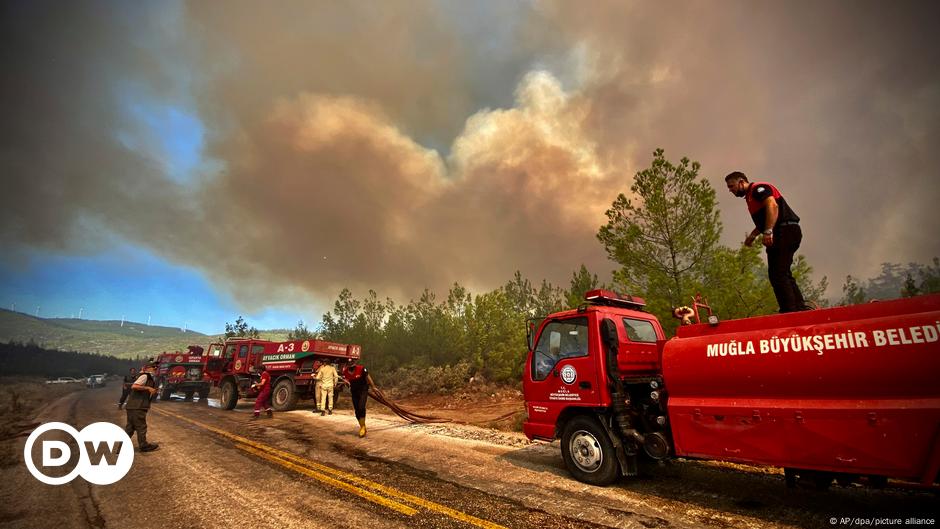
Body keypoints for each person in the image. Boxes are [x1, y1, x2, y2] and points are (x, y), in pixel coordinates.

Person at [725, 171, 809, 313]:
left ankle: (790, 311)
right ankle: (799, 308)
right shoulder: (750, 198)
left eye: (731, 186)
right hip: (784, 231)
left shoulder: (758, 189)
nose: (730, 190)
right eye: (728, 188)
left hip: (785, 230)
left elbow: (773, 206)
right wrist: (753, 235)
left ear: (741, 182)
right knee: (780, 272)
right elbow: (764, 220)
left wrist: (768, 231)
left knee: (779, 273)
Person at [125, 360, 160, 452]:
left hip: (134, 406)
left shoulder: (149, 378)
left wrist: (152, 390)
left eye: (156, 367)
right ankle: (144, 446)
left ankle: (120, 448)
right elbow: (134, 386)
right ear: (147, 368)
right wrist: (148, 388)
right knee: (141, 426)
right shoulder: (145, 376)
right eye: (153, 367)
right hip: (137, 406)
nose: (155, 369)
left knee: (130, 428)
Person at [342, 358, 375, 437]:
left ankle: (363, 427)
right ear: (347, 365)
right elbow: (347, 381)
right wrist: (346, 383)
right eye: (349, 364)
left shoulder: (361, 369)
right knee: (357, 410)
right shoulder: (345, 372)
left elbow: (368, 377)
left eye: (352, 363)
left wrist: (373, 387)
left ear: (355, 363)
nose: (351, 365)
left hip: (363, 390)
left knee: (361, 407)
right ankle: (362, 426)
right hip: (354, 391)